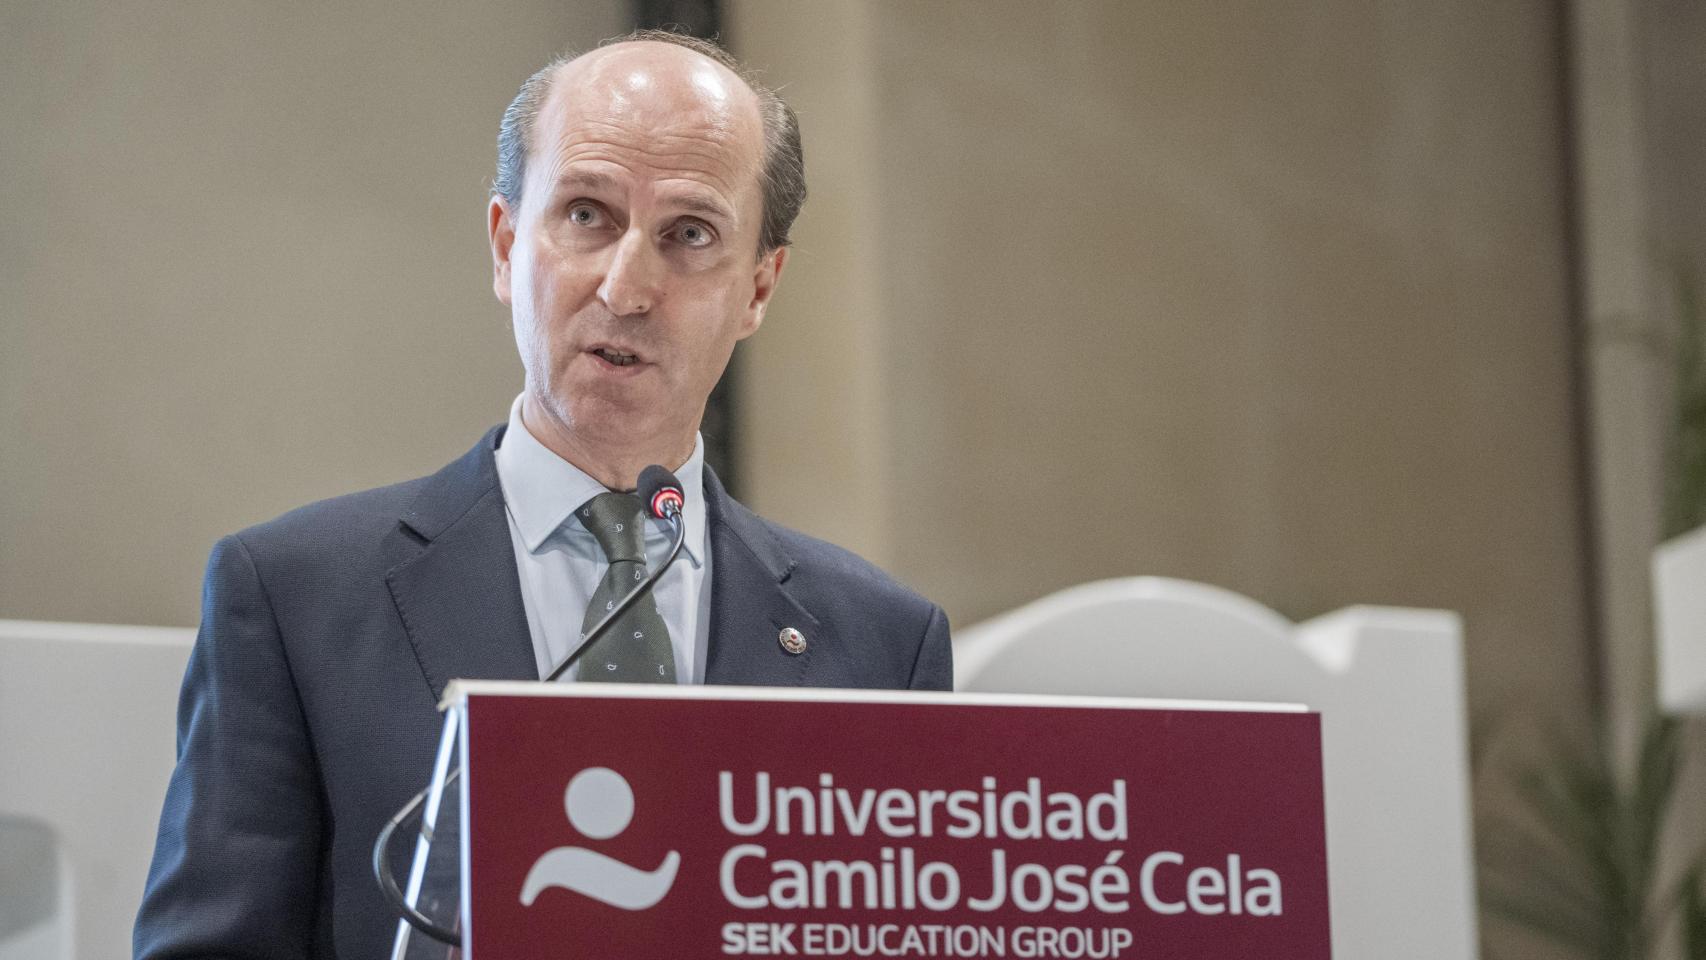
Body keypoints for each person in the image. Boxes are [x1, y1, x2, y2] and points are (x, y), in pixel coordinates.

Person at [134, 30, 951, 959]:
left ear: (759, 286)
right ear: (506, 243)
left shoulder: (883, 645)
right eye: (587, 215)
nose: (627, 285)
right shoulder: (293, 597)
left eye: (690, 234)